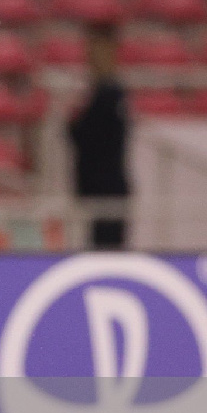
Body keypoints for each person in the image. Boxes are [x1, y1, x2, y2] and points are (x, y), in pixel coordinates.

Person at [68, 22, 130, 249]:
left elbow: (96, 137)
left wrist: (75, 124)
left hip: (108, 185)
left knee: (109, 245)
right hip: (94, 185)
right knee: (97, 243)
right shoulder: (98, 93)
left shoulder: (111, 94)